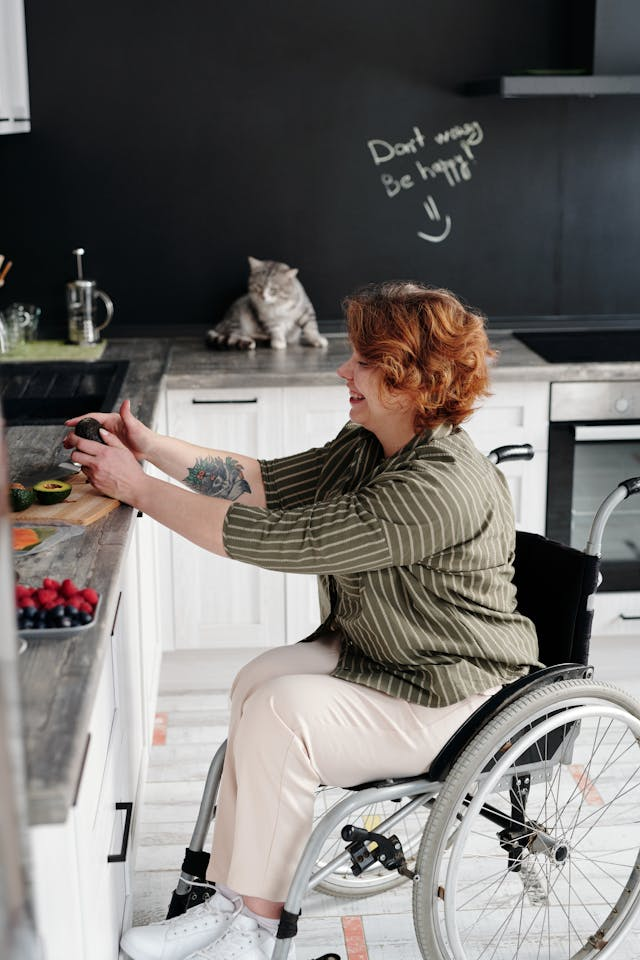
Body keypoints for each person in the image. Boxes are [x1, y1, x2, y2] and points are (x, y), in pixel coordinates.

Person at [64, 282, 539, 960]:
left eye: (361, 362)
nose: (343, 372)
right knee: (257, 681)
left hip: (453, 691)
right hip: (392, 651)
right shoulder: (371, 442)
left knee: (284, 711)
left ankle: (257, 930)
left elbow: (279, 539)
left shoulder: (435, 487)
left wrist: (137, 487)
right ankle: (233, 900)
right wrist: (150, 446)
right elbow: (265, 483)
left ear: (408, 378)